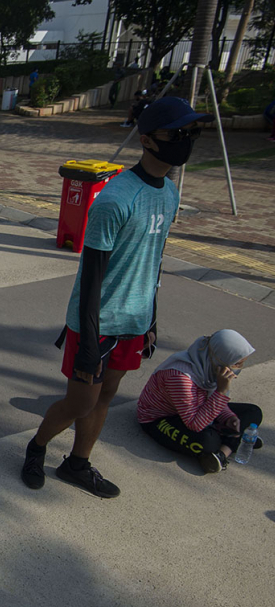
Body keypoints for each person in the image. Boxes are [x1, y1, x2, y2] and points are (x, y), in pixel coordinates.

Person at [20, 97, 213, 498]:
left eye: (191, 133)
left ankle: (78, 463)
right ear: (146, 140)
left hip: (134, 320)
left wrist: (151, 317)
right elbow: (90, 278)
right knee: (79, 403)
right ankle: (36, 447)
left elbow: (153, 260)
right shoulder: (114, 199)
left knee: (106, 396)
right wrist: (89, 341)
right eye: (176, 134)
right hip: (98, 322)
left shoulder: (170, 194)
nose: (186, 141)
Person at [137, 330, 262, 474]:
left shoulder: (209, 366)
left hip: (195, 411)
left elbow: (208, 400)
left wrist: (228, 417)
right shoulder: (180, 377)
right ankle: (234, 441)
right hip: (160, 419)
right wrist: (221, 391)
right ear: (221, 358)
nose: (237, 369)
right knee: (208, 442)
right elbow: (195, 424)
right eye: (237, 363)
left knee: (253, 412)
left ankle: (223, 451)